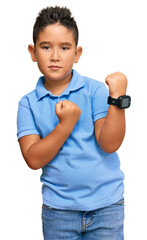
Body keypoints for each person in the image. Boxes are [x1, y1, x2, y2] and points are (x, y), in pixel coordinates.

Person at [17, 6, 130, 240]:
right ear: (33, 51)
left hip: (107, 206)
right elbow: (33, 159)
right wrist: (65, 125)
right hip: (58, 211)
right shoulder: (28, 103)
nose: (55, 56)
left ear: (77, 54)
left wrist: (118, 99)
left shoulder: (96, 90)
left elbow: (109, 144)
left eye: (65, 48)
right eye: (46, 47)